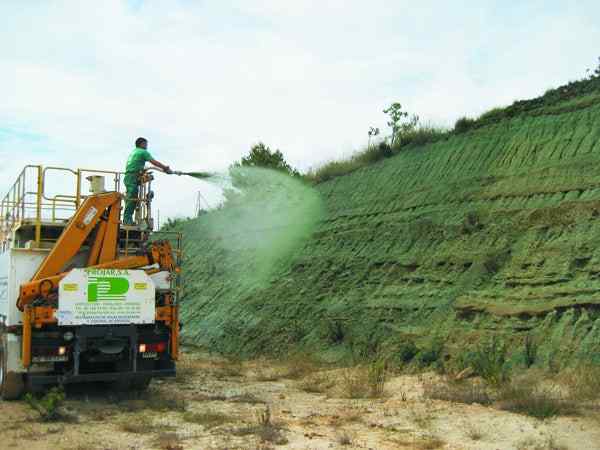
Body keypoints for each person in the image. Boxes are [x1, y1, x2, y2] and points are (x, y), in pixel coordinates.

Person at [123, 137, 172, 225]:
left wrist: (143, 171)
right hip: (132, 177)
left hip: (129, 177)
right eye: (146, 144)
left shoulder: (134, 152)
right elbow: (153, 162)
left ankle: (128, 219)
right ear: (142, 144)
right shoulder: (143, 152)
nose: (147, 146)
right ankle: (127, 221)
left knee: (132, 198)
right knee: (132, 198)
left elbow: (136, 164)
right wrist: (165, 168)